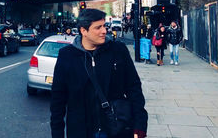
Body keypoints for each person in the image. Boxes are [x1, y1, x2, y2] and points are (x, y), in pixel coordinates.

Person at [50, 8, 148, 138]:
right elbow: (58, 100)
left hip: (116, 128)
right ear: (83, 31)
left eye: (104, 26)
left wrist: (140, 125)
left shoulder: (118, 50)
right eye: (98, 27)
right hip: (81, 130)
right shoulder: (67, 56)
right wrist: (57, 134)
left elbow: (133, 87)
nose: (104, 31)